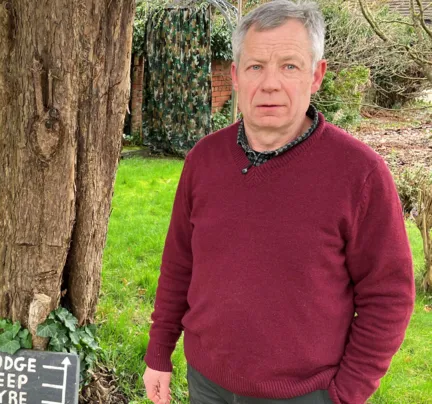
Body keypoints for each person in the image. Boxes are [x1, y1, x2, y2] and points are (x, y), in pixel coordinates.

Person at [142, 1, 416, 403]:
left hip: (304, 393)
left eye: (289, 66)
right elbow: (180, 263)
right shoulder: (205, 159)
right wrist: (159, 353)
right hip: (206, 382)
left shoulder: (360, 174)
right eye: (255, 66)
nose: (269, 83)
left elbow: (388, 296)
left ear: (316, 75)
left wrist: (346, 394)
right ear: (235, 76)